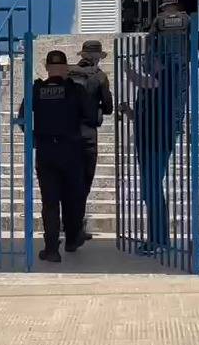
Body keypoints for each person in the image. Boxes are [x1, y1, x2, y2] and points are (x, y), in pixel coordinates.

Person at [18, 51, 95, 263]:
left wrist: (33, 137)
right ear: (65, 68)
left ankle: (51, 248)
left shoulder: (36, 89)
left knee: (50, 202)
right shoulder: (76, 90)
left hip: (46, 151)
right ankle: (72, 238)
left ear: (47, 69)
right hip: (71, 150)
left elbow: (22, 117)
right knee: (74, 197)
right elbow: (92, 117)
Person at [123, 47, 188, 254]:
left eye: (146, 59)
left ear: (157, 59)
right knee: (150, 191)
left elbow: (146, 82)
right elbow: (144, 114)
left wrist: (129, 72)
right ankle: (156, 239)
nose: (144, 62)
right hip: (145, 142)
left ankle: (159, 241)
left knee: (152, 190)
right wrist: (129, 112)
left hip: (157, 142)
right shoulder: (148, 85)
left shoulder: (167, 76)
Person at [67, 41, 113, 241]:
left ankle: (66, 221)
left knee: (68, 181)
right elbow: (109, 107)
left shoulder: (68, 74)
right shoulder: (100, 77)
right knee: (84, 182)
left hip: (67, 134)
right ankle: (76, 227)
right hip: (88, 135)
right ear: (96, 57)